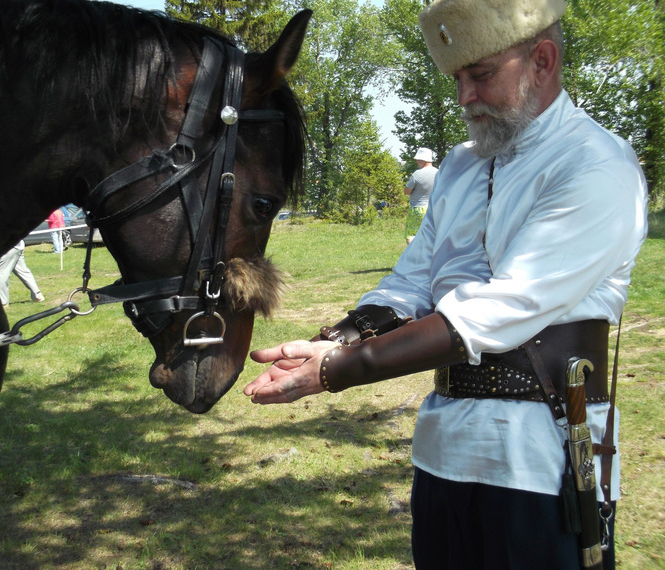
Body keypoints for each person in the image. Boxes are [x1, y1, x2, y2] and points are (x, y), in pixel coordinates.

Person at [243, 0, 648, 568]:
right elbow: (412, 280)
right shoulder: (459, 165)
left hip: (542, 458)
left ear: (544, 59)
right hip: (443, 452)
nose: (464, 97)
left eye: (480, 75)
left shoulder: (597, 164)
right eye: (458, 78)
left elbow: (503, 307)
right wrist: (338, 339)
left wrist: (336, 371)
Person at [0, 240, 45, 307]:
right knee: (23, 272)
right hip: (17, 246)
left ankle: (3, 302)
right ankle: (38, 295)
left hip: (7, 247)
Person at [404, 147, 438, 244]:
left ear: (422, 160)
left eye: (417, 160)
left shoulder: (417, 174)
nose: (416, 162)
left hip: (418, 208)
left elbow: (406, 191)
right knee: (431, 233)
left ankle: (413, 256)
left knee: (411, 234)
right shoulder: (438, 172)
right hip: (433, 208)